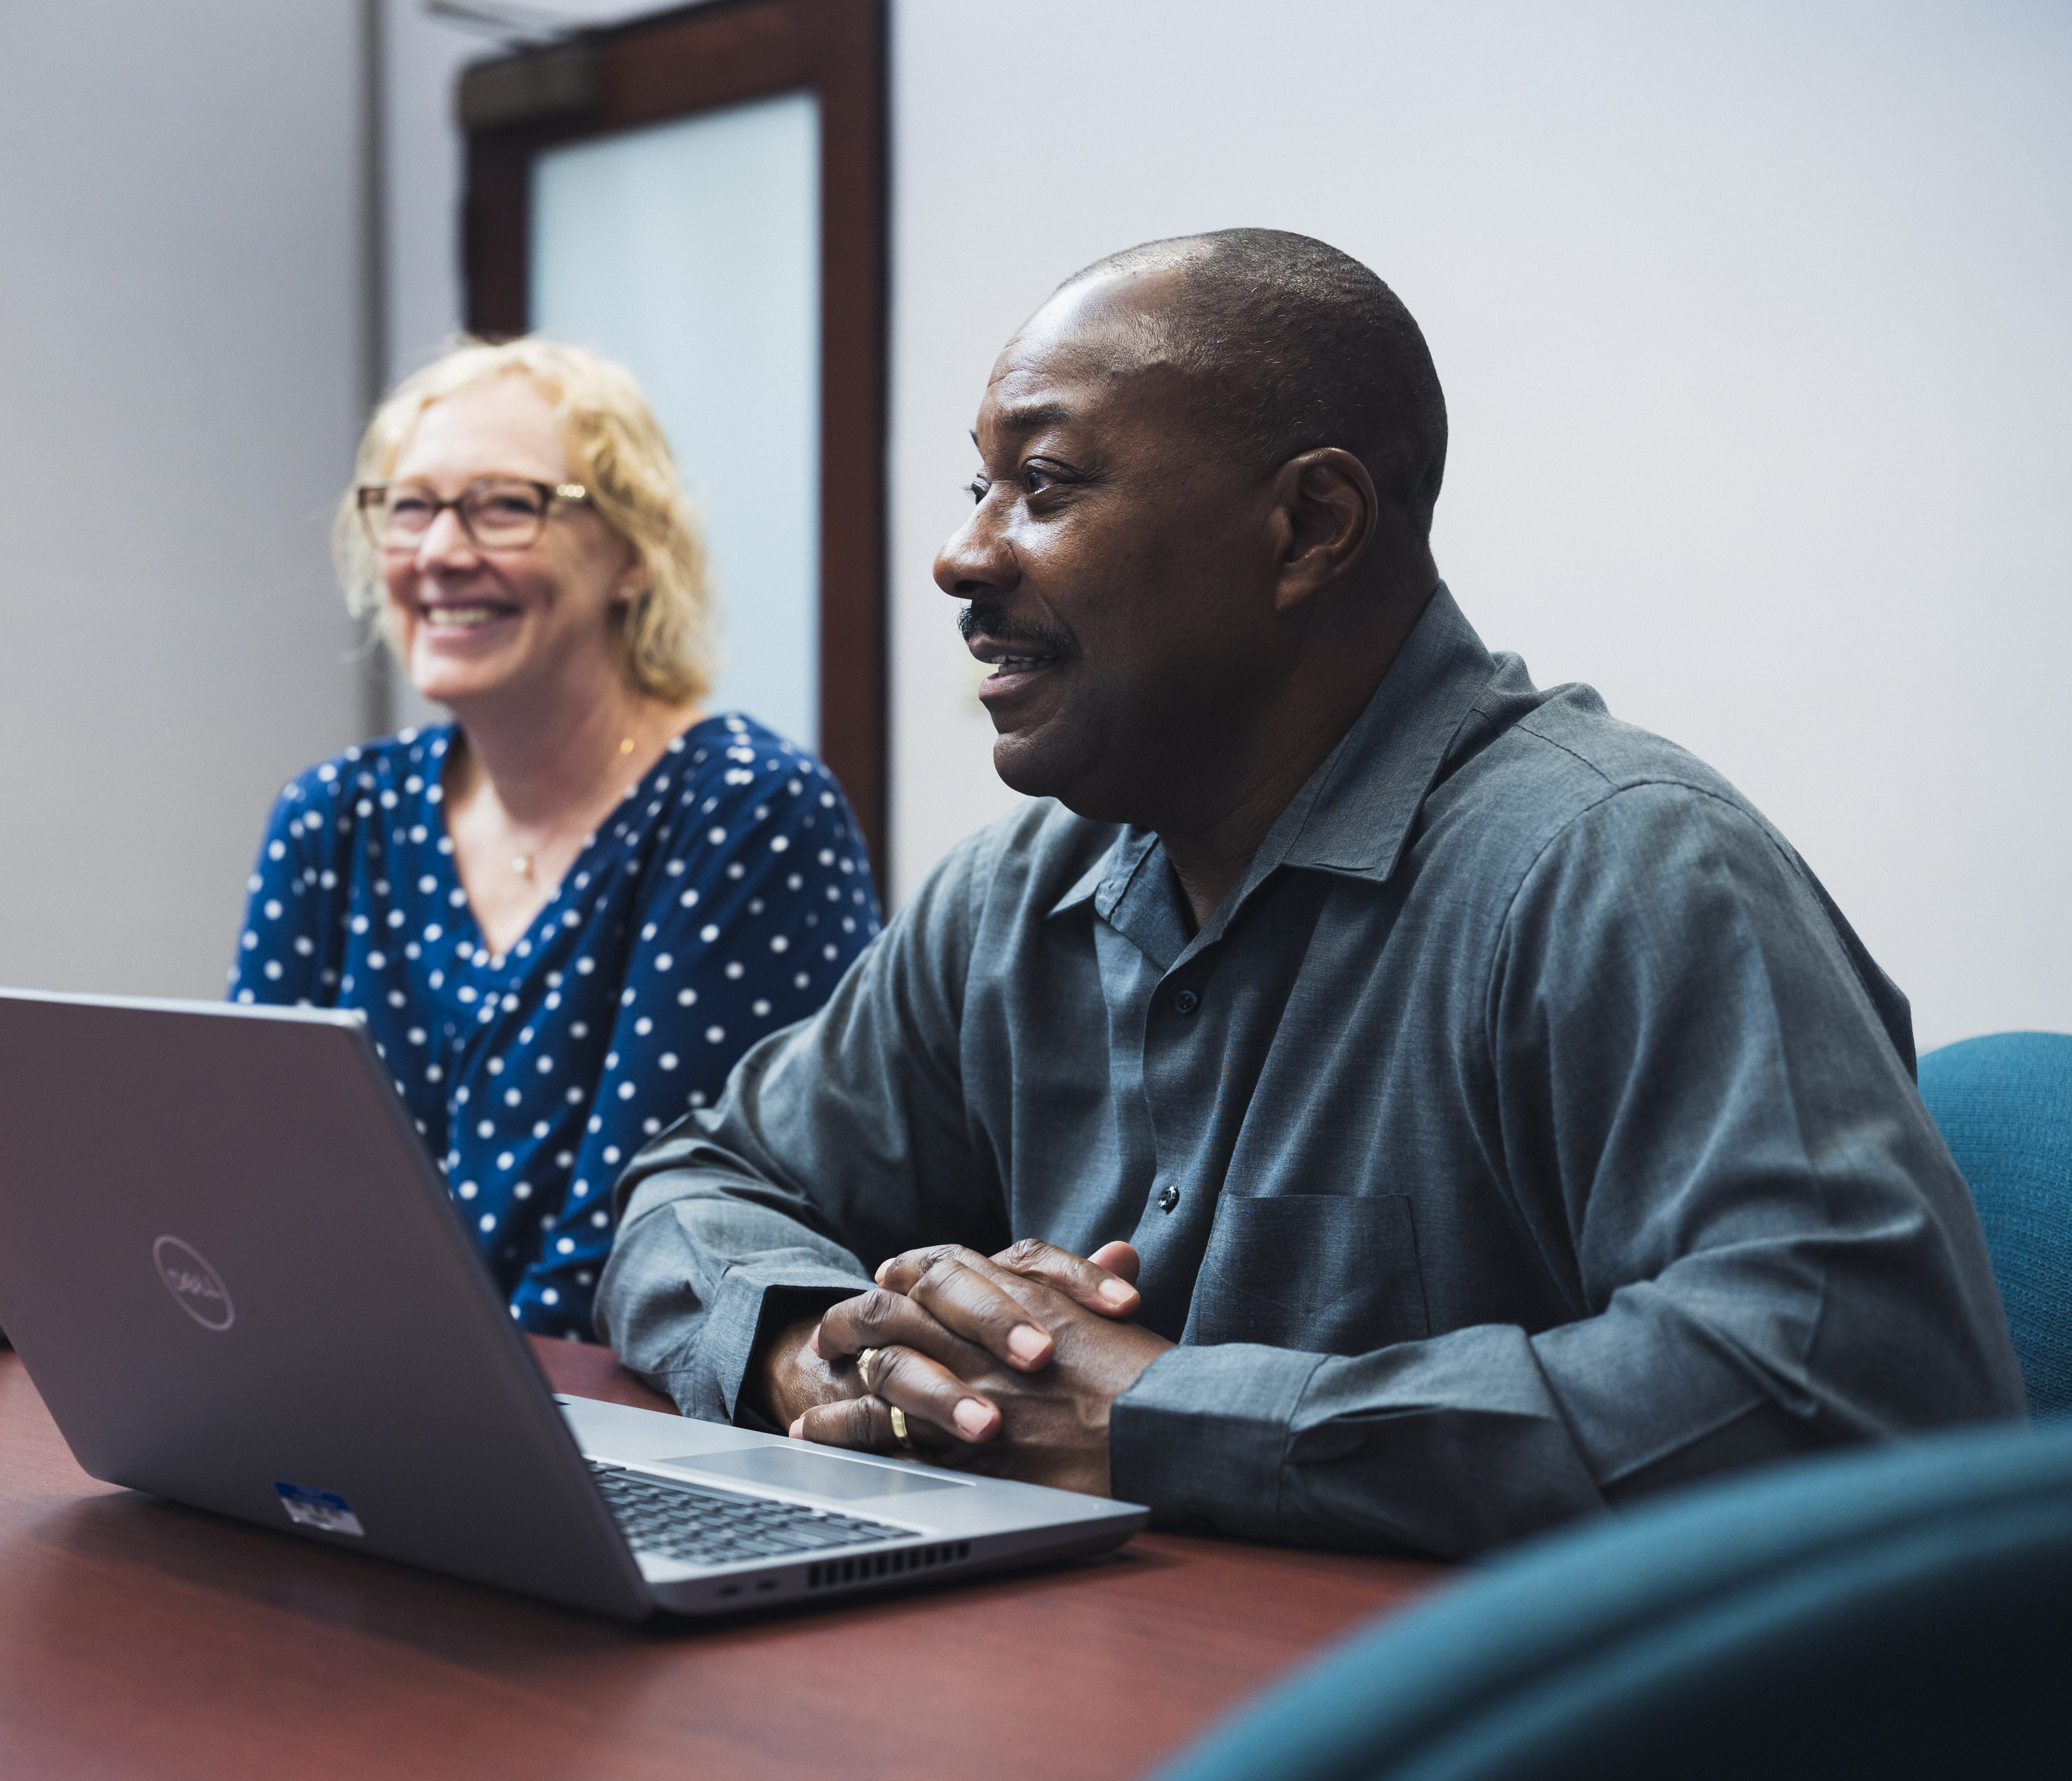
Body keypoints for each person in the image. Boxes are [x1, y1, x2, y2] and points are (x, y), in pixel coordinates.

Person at [595, 231, 2024, 1556]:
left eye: (1044, 484)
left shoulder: (1623, 865)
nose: (963, 554)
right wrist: (819, 1352)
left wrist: (1156, 1415)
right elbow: (697, 1184)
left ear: (1308, 527)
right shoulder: (1013, 895)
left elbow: (1845, 1380)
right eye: (977, 485)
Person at [231, 338, 878, 1339]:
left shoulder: (746, 812)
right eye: (409, 507)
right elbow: (248, 1181)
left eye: (503, 505)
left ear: (630, 551)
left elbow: (644, 1248)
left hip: (619, 1421)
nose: (441, 552)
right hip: (345, 1388)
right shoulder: (333, 817)